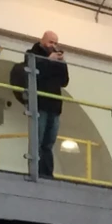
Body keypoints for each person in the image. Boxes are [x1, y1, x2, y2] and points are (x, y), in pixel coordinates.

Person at [23, 30, 69, 178]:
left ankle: (47, 173)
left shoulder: (56, 57)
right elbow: (35, 73)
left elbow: (64, 81)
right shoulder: (32, 54)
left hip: (54, 106)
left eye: (55, 43)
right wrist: (49, 60)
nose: (53, 46)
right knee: (38, 139)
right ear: (42, 41)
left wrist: (62, 63)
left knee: (49, 143)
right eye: (50, 42)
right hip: (40, 104)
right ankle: (36, 171)